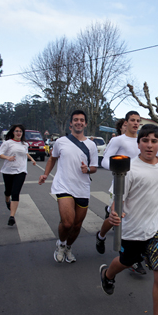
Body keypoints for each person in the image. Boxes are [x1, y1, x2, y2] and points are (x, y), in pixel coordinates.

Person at [99, 124, 158, 315]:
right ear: (138, 143)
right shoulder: (128, 168)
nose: (149, 145)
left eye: (154, 141)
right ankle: (107, 275)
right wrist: (115, 213)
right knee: (126, 261)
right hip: (132, 229)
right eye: (145, 140)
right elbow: (117, 200)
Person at [39, 110, 98, 263]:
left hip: (82, 188)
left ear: (85, 123)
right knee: (67, 223)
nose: (79, 122)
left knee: (77, 225)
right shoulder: (61, 142)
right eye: (76, 120)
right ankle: (61, 244)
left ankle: (69, 247)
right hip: (63, 186)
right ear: (71, 123)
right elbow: (52, 159)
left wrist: (88, 169)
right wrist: (45, 174)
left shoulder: (91, 145)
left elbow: (94, 167)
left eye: (82, 120)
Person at [96, 111, 145, 273]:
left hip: (138, 188)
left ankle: (133, 259)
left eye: (138, 121)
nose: (136, 123)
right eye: (133, 120)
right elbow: (104, 161)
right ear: (127, 122)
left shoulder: (143, 140)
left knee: (133, 220)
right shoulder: (118, 140)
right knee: (115, 218)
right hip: (119, 186)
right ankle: (101, 236)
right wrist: (120, 168)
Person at [0, 124, 35, 226]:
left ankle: (12, 216)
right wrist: (7, 157)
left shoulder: (24, 144)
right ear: (13, 132)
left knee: (15, 192)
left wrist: (32, 159)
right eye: (17, 131)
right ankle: (7, 200)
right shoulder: (7, 143)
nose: (18, 133)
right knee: (8, 191)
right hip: (8, 171)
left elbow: (25, 153)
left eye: (20, 131)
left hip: (21, 171)